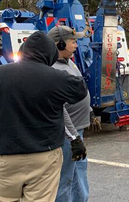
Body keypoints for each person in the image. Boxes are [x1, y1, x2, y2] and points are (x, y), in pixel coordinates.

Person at [0, 31, 88, 202]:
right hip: (44, 156)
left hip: (4, 156)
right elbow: (79, 90)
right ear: (51, 54)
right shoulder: (56, 77)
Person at [48, 26, 96, 202]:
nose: (76, 45)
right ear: (59, 44)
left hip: (77, 131)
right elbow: (57, 106)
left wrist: (89, 111)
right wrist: (73, 137)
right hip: (67, 134)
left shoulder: (70, 62)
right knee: (65, 178)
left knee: (79, 172)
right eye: (73, 41)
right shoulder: (52, 69)